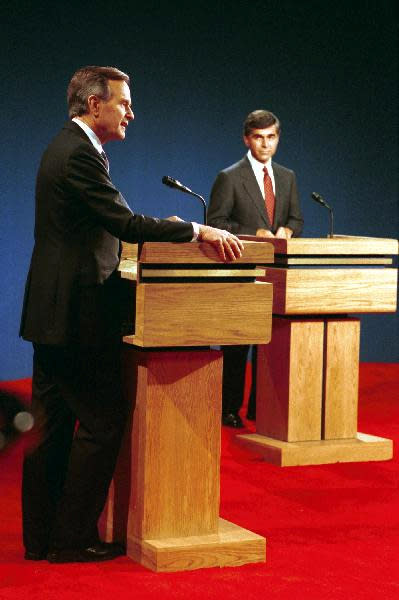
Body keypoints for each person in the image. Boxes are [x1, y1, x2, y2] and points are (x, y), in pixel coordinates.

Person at [20, 65, 243, 563]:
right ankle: (71, 539)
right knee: (102, 422)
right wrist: (194, 230)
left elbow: (100, 224)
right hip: (76, 317)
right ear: (94, 104)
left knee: (53, 426)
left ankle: (41, 538)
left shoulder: (67, 146)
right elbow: (122, 221)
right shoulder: (78, 152)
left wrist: (160, 226)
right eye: (124, 103)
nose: (131, 112)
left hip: (53, 313)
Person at [207, 109, 303, 427]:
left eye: (271, 137)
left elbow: (295, 218)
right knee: (238, 345)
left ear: (278, 139)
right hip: (241, 273)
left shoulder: (287, 177)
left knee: (270, 345)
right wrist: (254, 233)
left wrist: (287, 231)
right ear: (247, 139)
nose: (265, 144)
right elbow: (216, 223)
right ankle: (228, 409)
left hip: (276, 274)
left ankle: (260, 408)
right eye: (259, 137)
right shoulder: (229, 177)